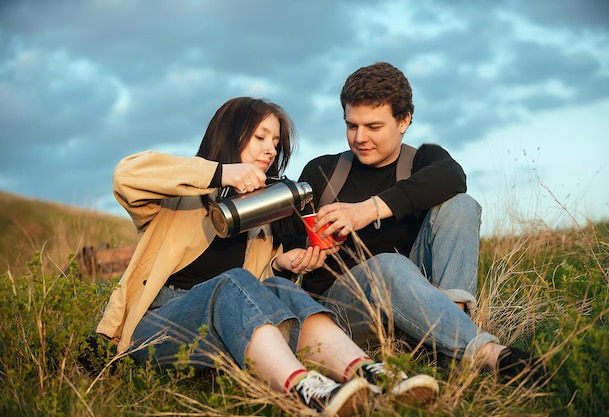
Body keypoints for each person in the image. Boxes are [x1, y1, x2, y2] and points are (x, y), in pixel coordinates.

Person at [95, 97, 440, 416]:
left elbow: (253, 302)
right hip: (155, 326)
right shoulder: (177, 200)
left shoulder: (261, 221)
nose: (270, 150)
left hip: (221, 327)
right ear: (231, 134)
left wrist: (280, 264)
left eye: (276, 143)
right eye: (260, 138)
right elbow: (126, 176)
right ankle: (306, 389)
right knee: (232, 282)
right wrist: (219, 173)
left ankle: (371, 374)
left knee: (279, 287)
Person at [278, 63, 545, 382]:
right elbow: (286, 248)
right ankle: (487, 353)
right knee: (388, 266)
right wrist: (299, 259)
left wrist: (366, 210)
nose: (360, 138)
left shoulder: (424, 161)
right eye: (352, 126)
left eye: (373, 127)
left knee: (460, 205)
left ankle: (449, 340)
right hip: (343, 315)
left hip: (418, 303)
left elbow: (453, 177)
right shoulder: (322, 171)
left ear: (404, 121)